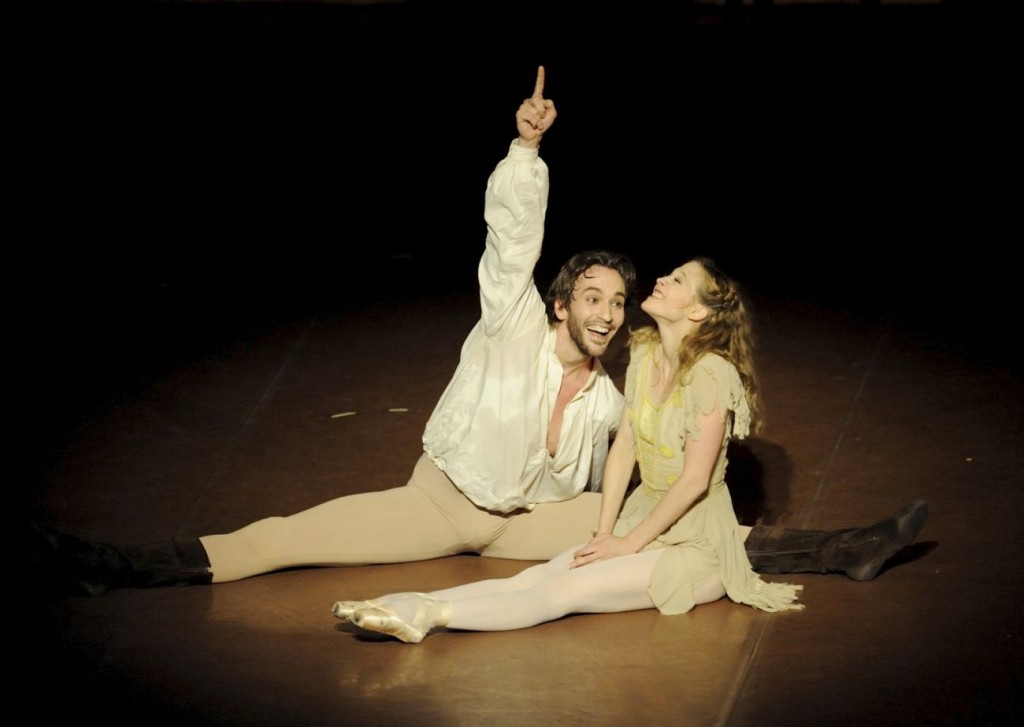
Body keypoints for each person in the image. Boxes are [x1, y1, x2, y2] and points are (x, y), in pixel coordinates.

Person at [33, 67, 927, 599]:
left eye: (619, 299)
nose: (609, 309)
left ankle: (845, 549)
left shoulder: (613, 393)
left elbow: (647, 475)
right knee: (280, 537)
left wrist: (627, 520)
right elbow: (512, 240)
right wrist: (527, 152)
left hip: (523, 524)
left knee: (682, 527)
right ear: (560, 301)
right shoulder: (508, 323)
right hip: (440, 502)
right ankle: (112, 564)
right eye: (594, 294)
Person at [332, 256, 806, 643]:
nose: (662, 278)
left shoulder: (711, 373)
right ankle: (403, 602)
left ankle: (431, 615)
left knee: (562, 591)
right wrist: (605, 533)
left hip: (696, 545)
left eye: (679, 278)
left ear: (698, 312)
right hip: (643, 518)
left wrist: (627, 544)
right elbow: (623, 452)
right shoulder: (643, 353)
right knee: (536, 576)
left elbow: (695, 479)